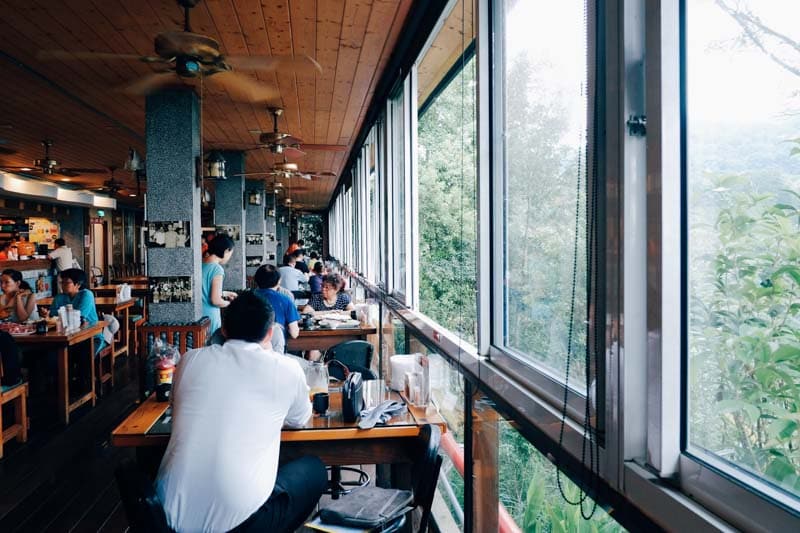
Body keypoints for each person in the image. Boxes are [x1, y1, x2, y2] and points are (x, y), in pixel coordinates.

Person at [155, 292, 327, 533]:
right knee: (314, 469)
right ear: (270, 333)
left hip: (165, 518)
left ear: (223, 329)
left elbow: (176, 407)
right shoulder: (286, 369)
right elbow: (300, 420)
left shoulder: (189, 360)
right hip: (238, 525)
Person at [40, 268, 105, 351]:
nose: (62, 285)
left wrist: (57, 315)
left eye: (66, 282)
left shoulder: (86, 295)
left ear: (78, 284)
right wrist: (47, 314)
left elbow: (79, 317)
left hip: (90, 337)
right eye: (61, 282)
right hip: (65, 337)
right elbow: (52, 315)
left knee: (81, 356)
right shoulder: (59, 297)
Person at [253, 267, 300, 353]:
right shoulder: (286, 300)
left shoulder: (245, 299)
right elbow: (294, 333)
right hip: (275, 351)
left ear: (256, 280)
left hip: (247, 351)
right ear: (279, 281)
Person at [202, 234, 237, 334]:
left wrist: (224, 293)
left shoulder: (200, 263)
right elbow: (216, 300)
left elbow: (204, 288)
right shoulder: (217, 269)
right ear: (226, 251)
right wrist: (231, 304)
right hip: (209, 317)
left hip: (197, 315)